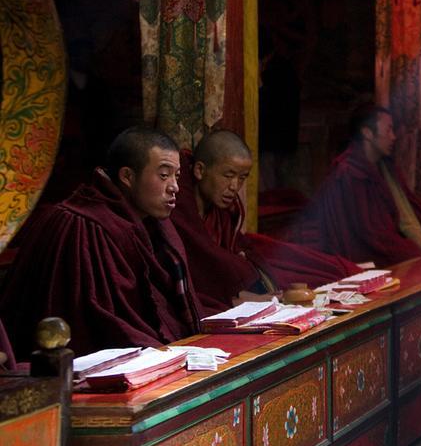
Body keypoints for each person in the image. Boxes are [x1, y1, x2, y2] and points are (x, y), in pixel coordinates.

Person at [0, 127, 202, 357]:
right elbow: (99, 321)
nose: (174, 187)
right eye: (164, 175)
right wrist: (164, 354)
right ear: (127, 177)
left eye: (177, 176)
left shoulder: (154, 224)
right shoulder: (83, 226)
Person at [171, 130, 360, 313]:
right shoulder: (177, 205)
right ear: (199, 170)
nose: (234, 187)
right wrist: (239, 290)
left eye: (242, 178)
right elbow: (200, 265)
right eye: (228, 176)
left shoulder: (220, 209)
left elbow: (232, 249)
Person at [307, 105, 421, 265]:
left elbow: (412, 214)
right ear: (367, 133)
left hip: (393, 244)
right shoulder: (348, 173)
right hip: (366, 258)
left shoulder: (386, 168)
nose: (393, 137)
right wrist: (414, 254)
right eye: (388, 130)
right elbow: (370, 235)